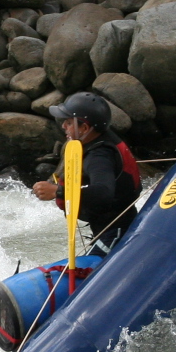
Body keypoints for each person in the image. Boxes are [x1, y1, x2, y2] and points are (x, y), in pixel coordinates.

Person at [32, 91, 141, 251]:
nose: (63, 126)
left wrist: (58, 191)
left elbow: (103, 192)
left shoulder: (100, 156)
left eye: (69, 122)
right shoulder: (97, 140)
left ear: (84, 127)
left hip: (117, 229)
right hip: (110, 224)